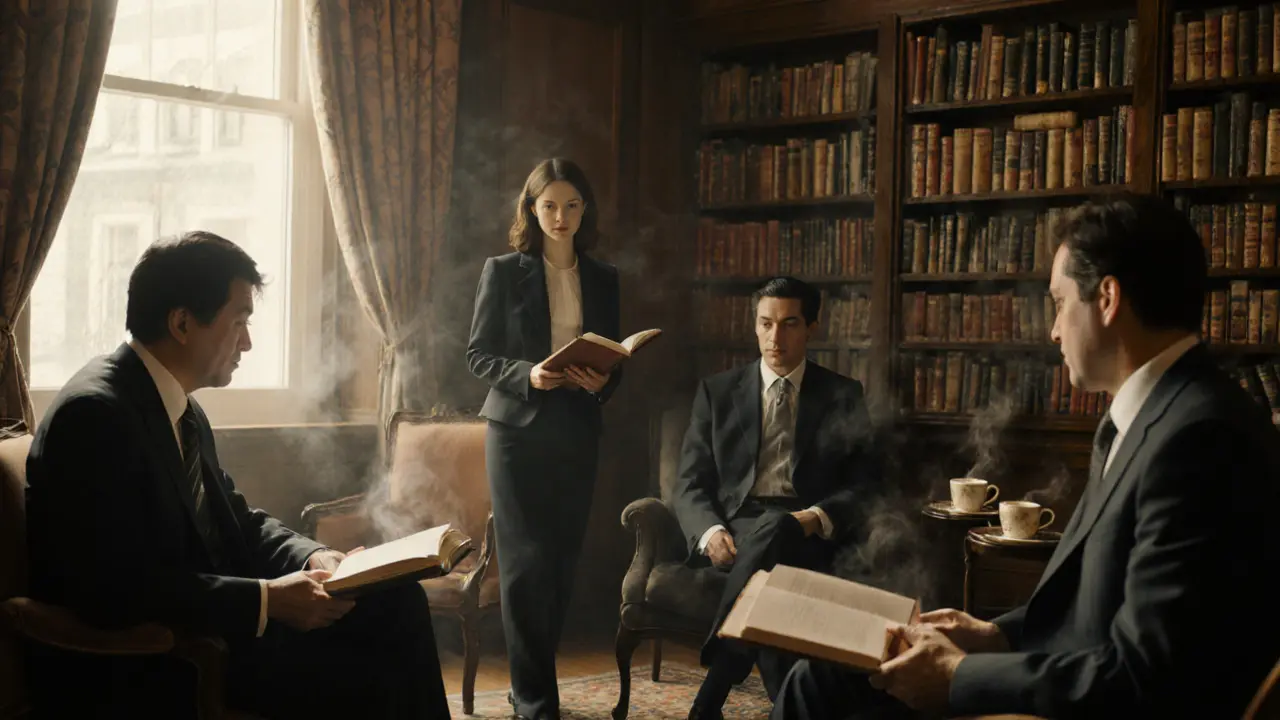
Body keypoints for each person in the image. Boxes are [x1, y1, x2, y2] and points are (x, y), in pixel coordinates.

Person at [770, 194, 1280, 719]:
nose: (1054, 330)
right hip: (1069, 678)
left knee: (828, 692)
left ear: (1107, 298)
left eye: (1059, 303)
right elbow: (1084, 605)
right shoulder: (1145, 415)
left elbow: (1146, 674)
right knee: (826, 674)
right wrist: (993, 635)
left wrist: (960, 676)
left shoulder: (1199, 438)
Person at [24, 231, 451, 719]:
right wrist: (269, 601)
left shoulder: (176, 405)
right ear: (182, 322)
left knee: (397, 599)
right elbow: (116, 588)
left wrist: (316, 555)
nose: (247, 341)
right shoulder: (95, 415)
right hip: (157, 659)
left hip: (215, 623)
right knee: (374, 672)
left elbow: (237, 518)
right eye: (239, 320)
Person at [672, 276, 882, 720]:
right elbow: (689, 482)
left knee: (780, 532)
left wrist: (816, 516)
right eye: (765, 324)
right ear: (754, 325)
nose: (775, 337)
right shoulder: (717, 392)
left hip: (806, 526)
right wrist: (710, 532)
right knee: (773, 555)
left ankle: (716, 682)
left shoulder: (843, 395)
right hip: (740, 525)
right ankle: (786, 704)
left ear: (812, 328)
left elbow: (866, 485)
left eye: (789, 324)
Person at [466, 157, 622, 720]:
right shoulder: (503, 271)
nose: (561, 216)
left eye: (572, 205)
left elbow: (615, 361)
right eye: (550, 205)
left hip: (577, 427)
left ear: (586, 210)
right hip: (516, 433)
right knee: (526, 564)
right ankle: (536, 699)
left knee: (560, 562)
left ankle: (527, 683)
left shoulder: (603, 277)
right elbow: (478, 355)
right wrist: (527, 375)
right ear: (532, 209)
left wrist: (603, 379)